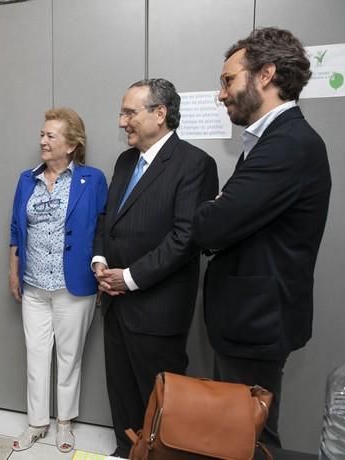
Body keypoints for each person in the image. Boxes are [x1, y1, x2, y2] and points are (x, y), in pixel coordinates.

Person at [192, 27, 331, 447]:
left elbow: (209, 226)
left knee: (246, 436)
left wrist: (214, 211)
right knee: (242, 431)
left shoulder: (288, 144)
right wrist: (219, 209)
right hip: (251, 318)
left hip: (256, 320)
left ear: (266, 74)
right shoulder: (272, 140)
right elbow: (225, 218)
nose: (221, 94)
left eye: (228, 80)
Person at [93, 79, 218, 457]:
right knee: (122, 391)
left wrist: (128, 278)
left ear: (160, 114)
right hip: (115, 304)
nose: (121, 122)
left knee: (161, 398)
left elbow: (185, 239)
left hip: (157, 310)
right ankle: (125, 450)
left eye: (130, 112)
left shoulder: (195, 164)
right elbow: (107, 219)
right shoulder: (125, 160)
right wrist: (99, 260)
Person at [8, 108, 107, 453]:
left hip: (75, 286)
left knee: (69, 358)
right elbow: (16, 229)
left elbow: (103, 229)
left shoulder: (92, 179)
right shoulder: (26, 179)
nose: (42, 141)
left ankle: (64, 424)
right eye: (42, 134)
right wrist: (13, 270)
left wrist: (100, 268)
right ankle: (37, 422)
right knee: (35, 355)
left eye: (51, 135)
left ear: (72, 144)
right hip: (34, 285)